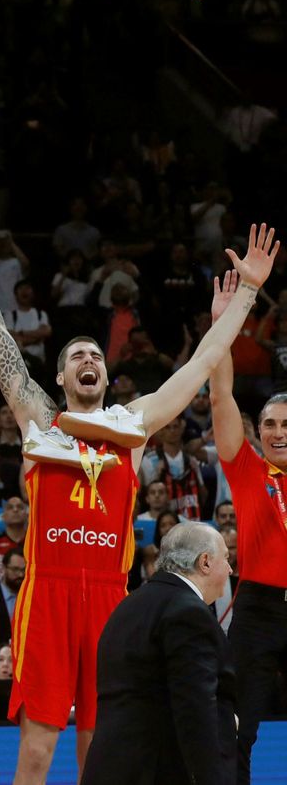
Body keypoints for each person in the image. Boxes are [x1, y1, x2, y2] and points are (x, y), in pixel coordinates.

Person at [0, 223, 277, 784]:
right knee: (37, 748)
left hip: (110, 597)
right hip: (48, 593)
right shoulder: (40, 417)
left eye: (96, 355)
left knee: (103, 745)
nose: (89, 359)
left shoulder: (135, 423)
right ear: (61, 376)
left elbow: (202, 362)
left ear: (105, 373)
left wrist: (248, 290)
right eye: (78, 355)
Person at [79, 523, 236, 784]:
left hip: (109, 766)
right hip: (156, 770)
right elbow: (196, 706)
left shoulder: (128, 605)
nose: (230, 569)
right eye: (226, 559)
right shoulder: (188, 612)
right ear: (205, 562)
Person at [209, 301, 287, 784]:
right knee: (235, 729)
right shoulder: (247, 469)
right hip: (258, 612)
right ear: (258, 432)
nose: (278, 432)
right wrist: (225, 325)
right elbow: (221, 396)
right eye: (270, 424)